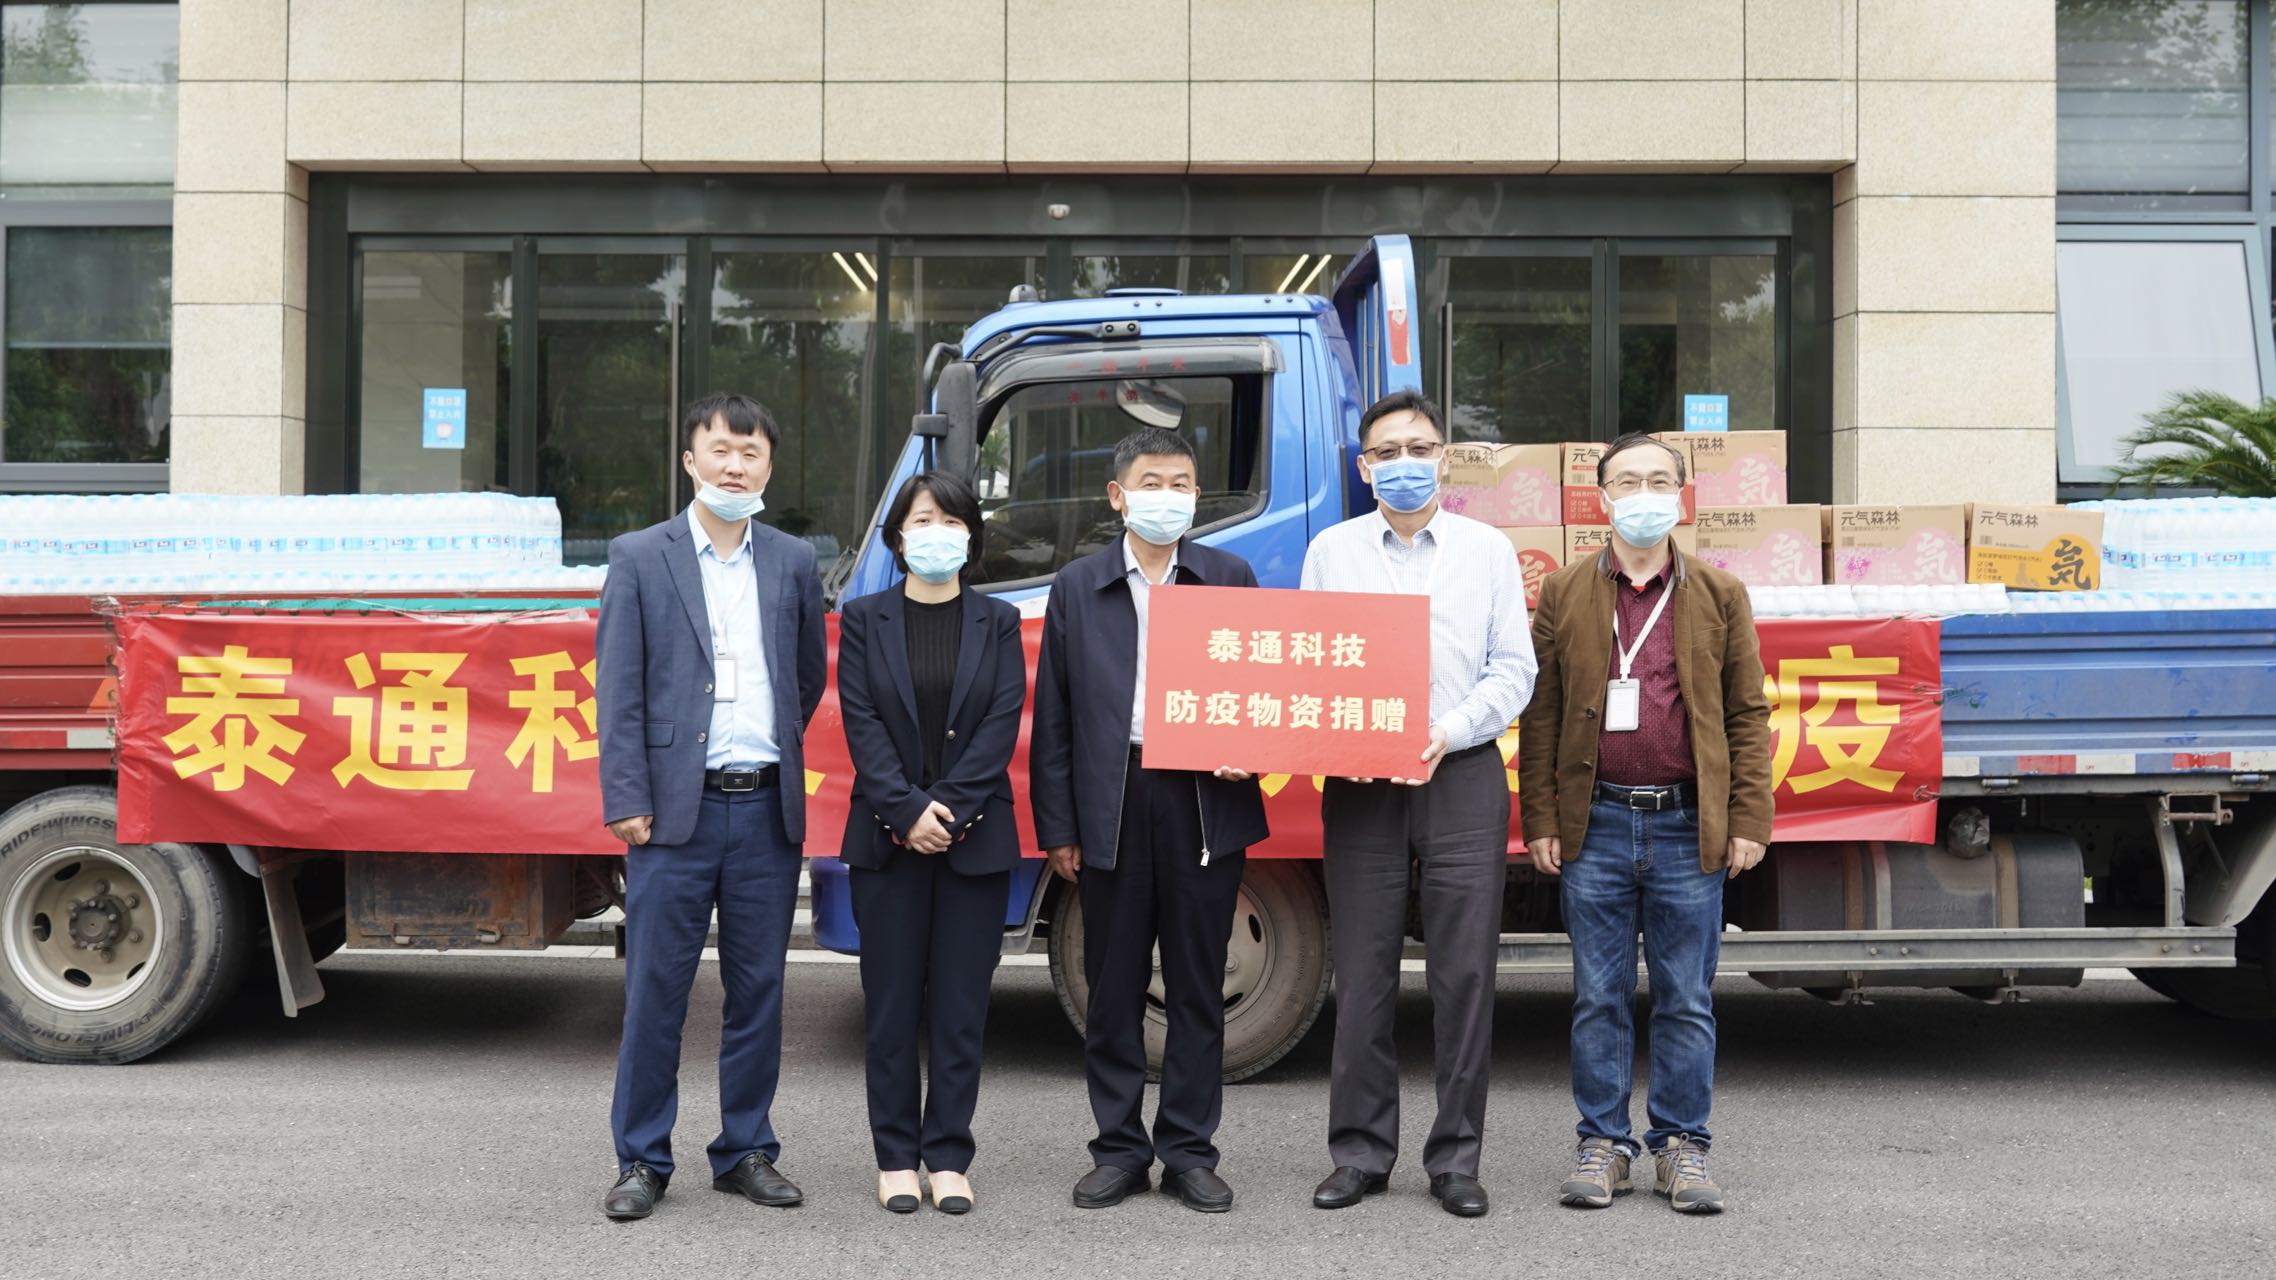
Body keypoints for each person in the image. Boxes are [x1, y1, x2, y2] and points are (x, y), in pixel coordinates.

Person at [1517, 431, 1772, 1215]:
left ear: (1682, 496)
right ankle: (1603, 1144)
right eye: (1627, 481)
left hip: (1686, 824)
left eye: (1660, 480)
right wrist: (1541, 817)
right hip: (1593, 823)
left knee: (1685, 997)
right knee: (1597, 996)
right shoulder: (1564, 592)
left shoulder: (1720, 593)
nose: (1644, 495)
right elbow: (1542, 714)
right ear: (1602, 498)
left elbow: (1746, 714)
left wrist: (1748, 817)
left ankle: (1682, 1146)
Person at [1299, 390, 1538, 1219]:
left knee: (1463, 975)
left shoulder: (1487, 550)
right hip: (1361, 786)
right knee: (1362, 973)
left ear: (1444, 458)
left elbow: (1514, 668)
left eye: (1419, 448)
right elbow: (1310, 668)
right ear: (1364, 468)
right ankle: (1360, 1153)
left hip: (1461, 772)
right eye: (1386, 452)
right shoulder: (1331, 551)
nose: (1404, 463)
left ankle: (1456, 1160)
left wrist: (1448, 729)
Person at [593, 392, 827, 1222]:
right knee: (656, 993)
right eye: (720, 450)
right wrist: (628, 793)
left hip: (764, 809)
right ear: (691, 460)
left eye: (751, 453)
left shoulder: (793, 561)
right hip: (670, 816)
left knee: (759, 992)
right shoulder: (639, 556)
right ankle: (641, 1159)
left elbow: (807, 678)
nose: (735, 466)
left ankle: (746, 1150)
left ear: (769, 466)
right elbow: (618, 687)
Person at [1029, 427, 1268, 1214]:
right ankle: (1119, 1150)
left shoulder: (1228, 578)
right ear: (1118, 496)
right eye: (1152, 483)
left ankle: (1189, 1151)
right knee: (1113, 986)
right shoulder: (1078, 586)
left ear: (1197, 496)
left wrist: (1250, 749)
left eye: (1181, 484)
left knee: (1198, 984)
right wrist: (1059, 826)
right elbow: (1054, 717)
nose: (1168, 497)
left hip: (1203, 797)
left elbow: (1264, 693)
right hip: (1114, 796)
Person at [836, 471, 1026, 1216]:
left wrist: (946, 811)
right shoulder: (864, 619)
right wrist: (906, 811)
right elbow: (861, 723)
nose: (936, 533)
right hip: (886, 844)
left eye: (951, 521)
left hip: (973, 843)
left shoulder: (998, 621)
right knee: (889, 1008)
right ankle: (894, 1157)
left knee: (959, 1009)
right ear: (897, 537)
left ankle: (947, 1156)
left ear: (971, 537)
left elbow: (1001, 723)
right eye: (922, 521)